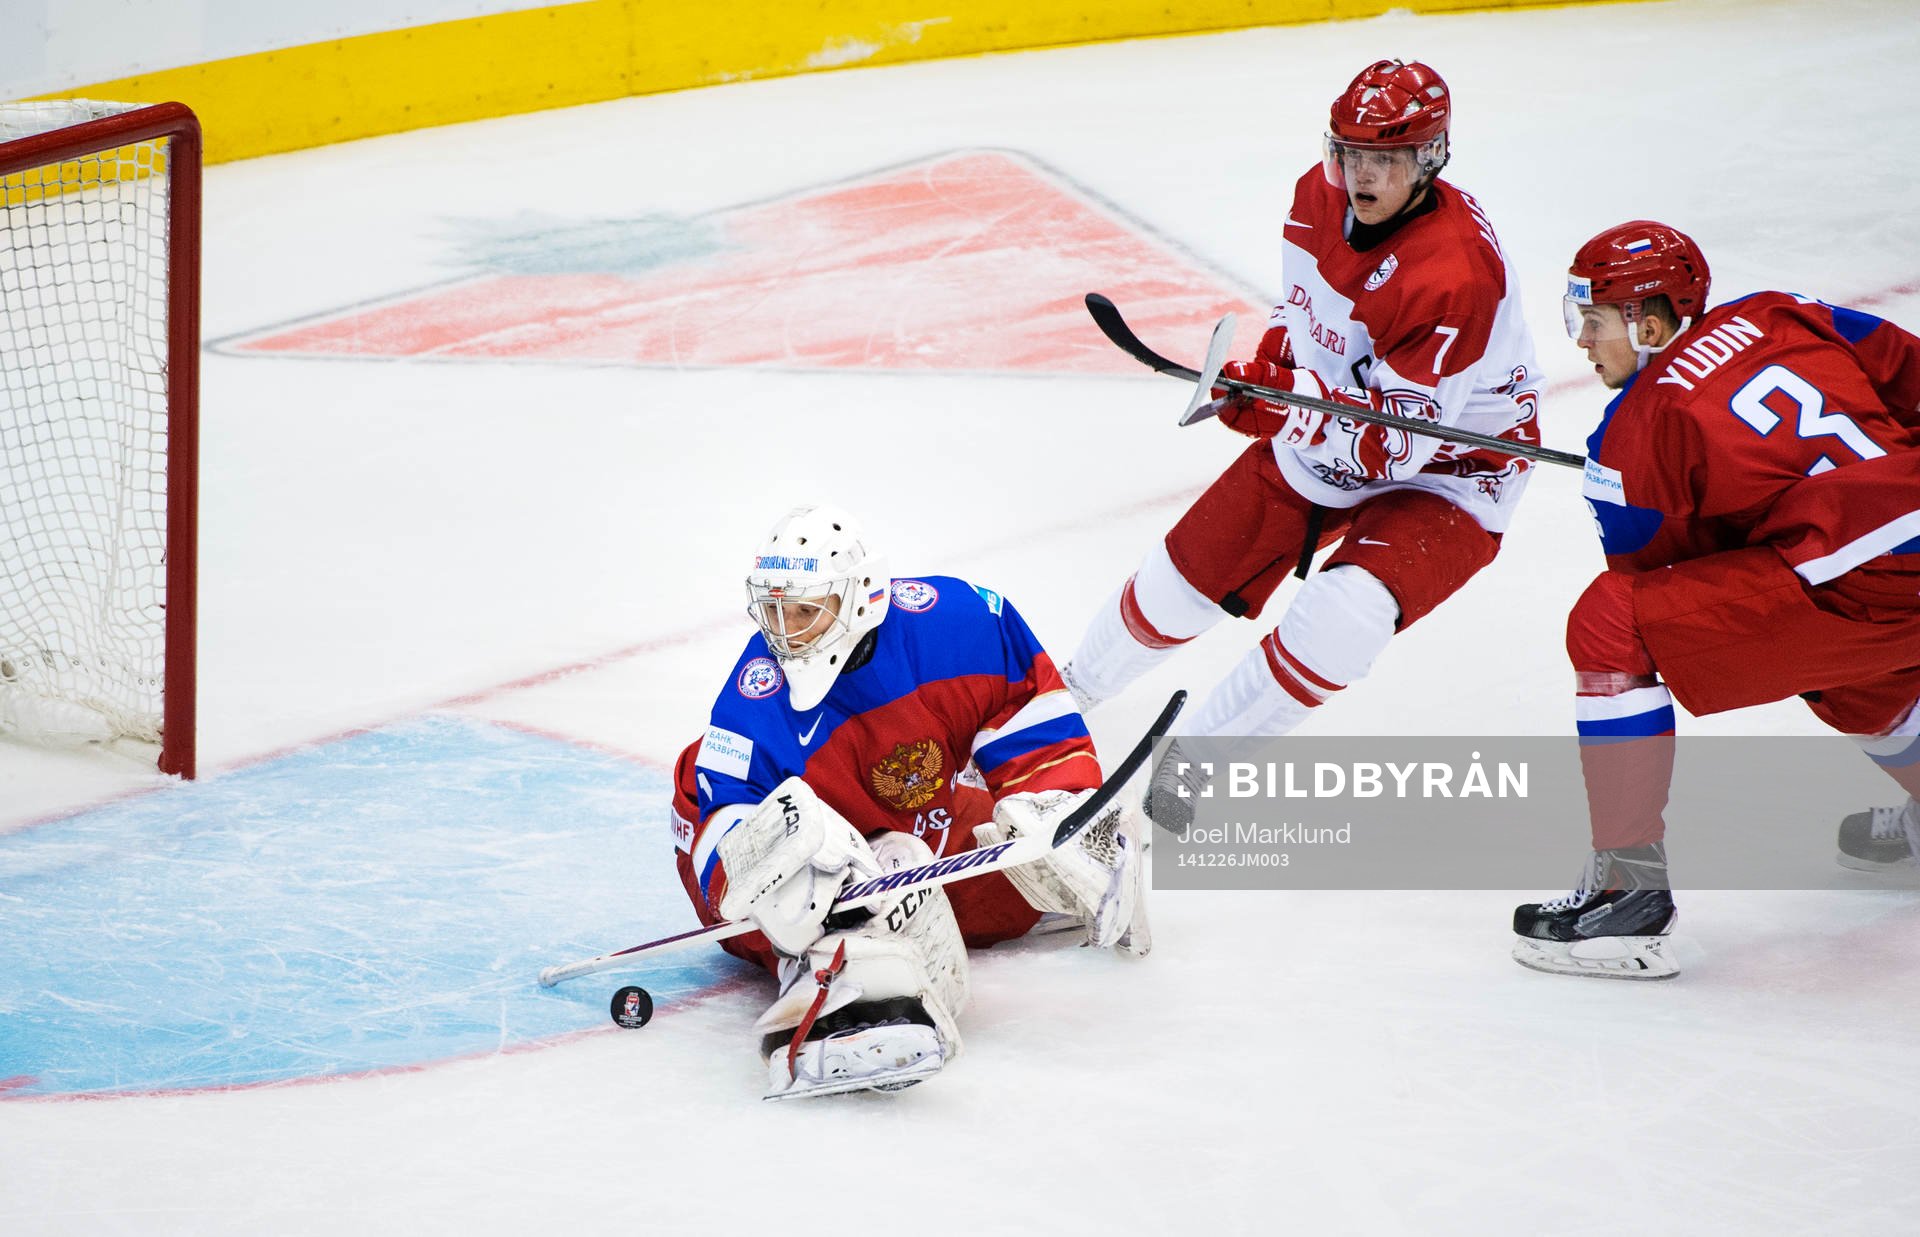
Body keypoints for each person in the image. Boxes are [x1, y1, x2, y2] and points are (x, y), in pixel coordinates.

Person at [1060, 59, 1542, 825]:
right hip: (1337, 418)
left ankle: (1182, 782)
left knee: (1342, 617)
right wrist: (1276, 369)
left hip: (1453, 469)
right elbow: (1306, 309)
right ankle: (1066, 697)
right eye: (1349, 152)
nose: (1360, 174)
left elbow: (1395, 448)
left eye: (1384, 158)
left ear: (1428, 160)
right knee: (1185, 573)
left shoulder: (1455, 274)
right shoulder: (1315, 194)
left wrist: (1287, 408)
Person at [1512, 221, 1920, 980]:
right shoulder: (1779, 311)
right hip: (1891, 563)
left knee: (1612, 622)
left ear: (1651, 324)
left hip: (1866, 579)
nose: (1582, 343)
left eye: (1593, 322)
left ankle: (1625, 893)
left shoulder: (1631, 438)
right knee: (1840, 663)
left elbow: (1657, 601)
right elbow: (1908, 373)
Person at [666, 503, 1148, 1099]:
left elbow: (1025, 703)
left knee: (1022, 887)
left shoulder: (955, 624)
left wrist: (1056, 799)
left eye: (805, 611)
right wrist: (786, 891)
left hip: (921, 825)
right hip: (824, 865)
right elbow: (718, 811)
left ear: (862, 594)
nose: (784, 632)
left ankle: (1090, 845)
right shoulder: (755, 703)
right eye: (775, 611)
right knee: (839, 916)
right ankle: (832, 980)